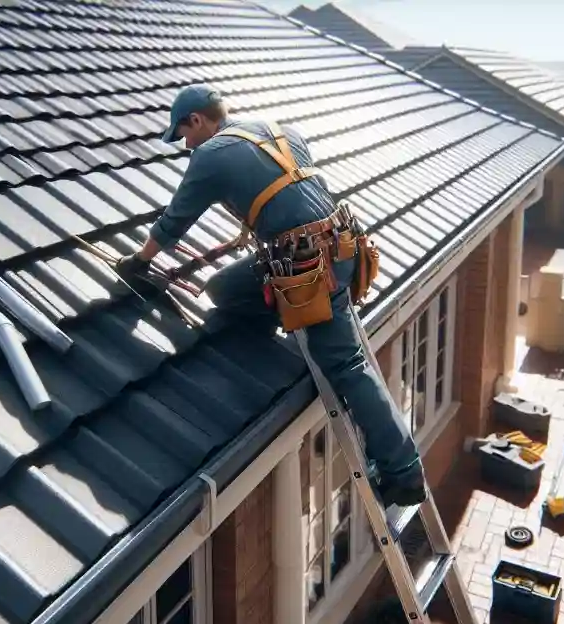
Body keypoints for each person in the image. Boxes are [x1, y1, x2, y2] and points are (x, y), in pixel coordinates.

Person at [114, 84, 426, 507]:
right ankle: (285, 311)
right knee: (223, 289)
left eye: (184, 134)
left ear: (197, 120)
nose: (186, 146)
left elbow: (174, 222)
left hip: (308, 268)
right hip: (342, 246)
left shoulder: (210, 155)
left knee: (346, 364)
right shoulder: (278, 130)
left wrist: (139, 260)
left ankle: (404, 472)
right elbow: (290, 195)